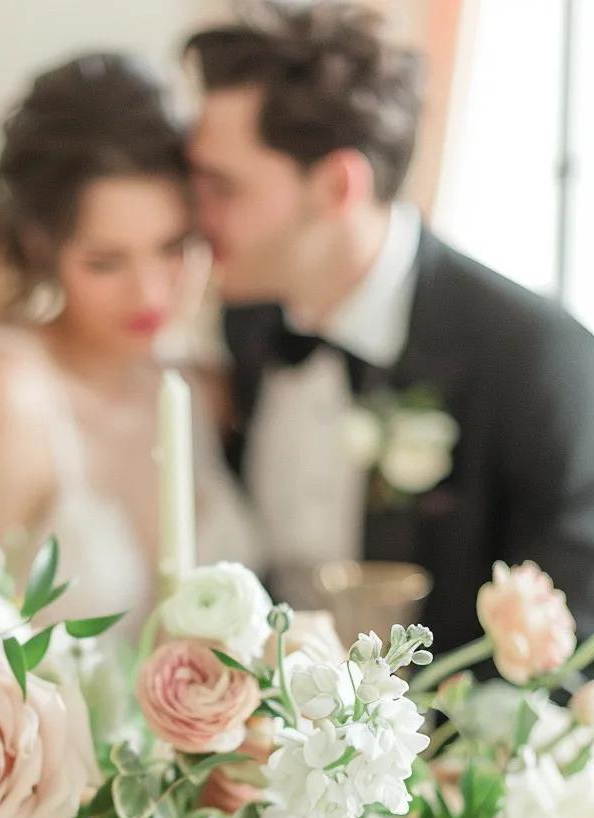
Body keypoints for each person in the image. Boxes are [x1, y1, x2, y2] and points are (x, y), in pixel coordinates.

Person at [184, 0, 594, 651]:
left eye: (224, 189)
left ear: (338, 186)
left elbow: (569, 649)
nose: (196, 216)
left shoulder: (537, 361)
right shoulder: (244, 325)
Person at [0, 54, 261, 630]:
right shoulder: (7, 394)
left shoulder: (203, 386)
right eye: (105, 262)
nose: (150, 294)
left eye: (175, 248)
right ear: (44, 248)